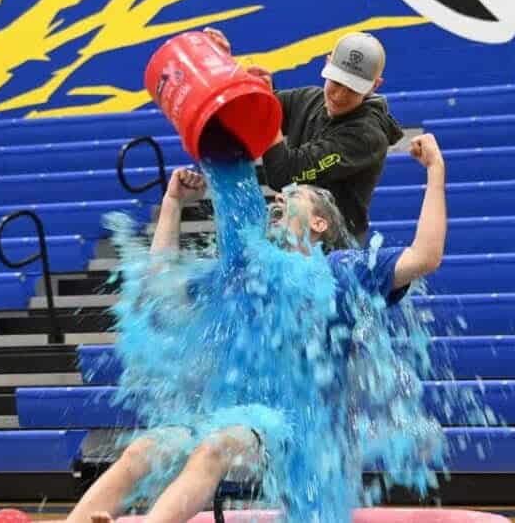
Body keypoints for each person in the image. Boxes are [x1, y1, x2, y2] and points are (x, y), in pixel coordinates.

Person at [51, 134, 446, 523]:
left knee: (215, 446)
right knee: (142, 451)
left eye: (293, 197)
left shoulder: (342, 271)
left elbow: (425, 256)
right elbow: (160, 283)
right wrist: (172, 204)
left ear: (320, 222)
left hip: (300, 428)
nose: (278, 197)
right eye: (277, 195)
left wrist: (435, 173)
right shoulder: (245, 276)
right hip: (229, 415)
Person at [204, 27, 404, 244]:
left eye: (352, 89)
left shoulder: (367, 136)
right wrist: (224, 66)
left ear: (375, 85)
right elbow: (245, 113)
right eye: (336, 82)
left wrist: (265, 107)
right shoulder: (310, 98)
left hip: (334, 256)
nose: (339, 95)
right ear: (327, 64)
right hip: (293, 241)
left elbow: (283, 172)